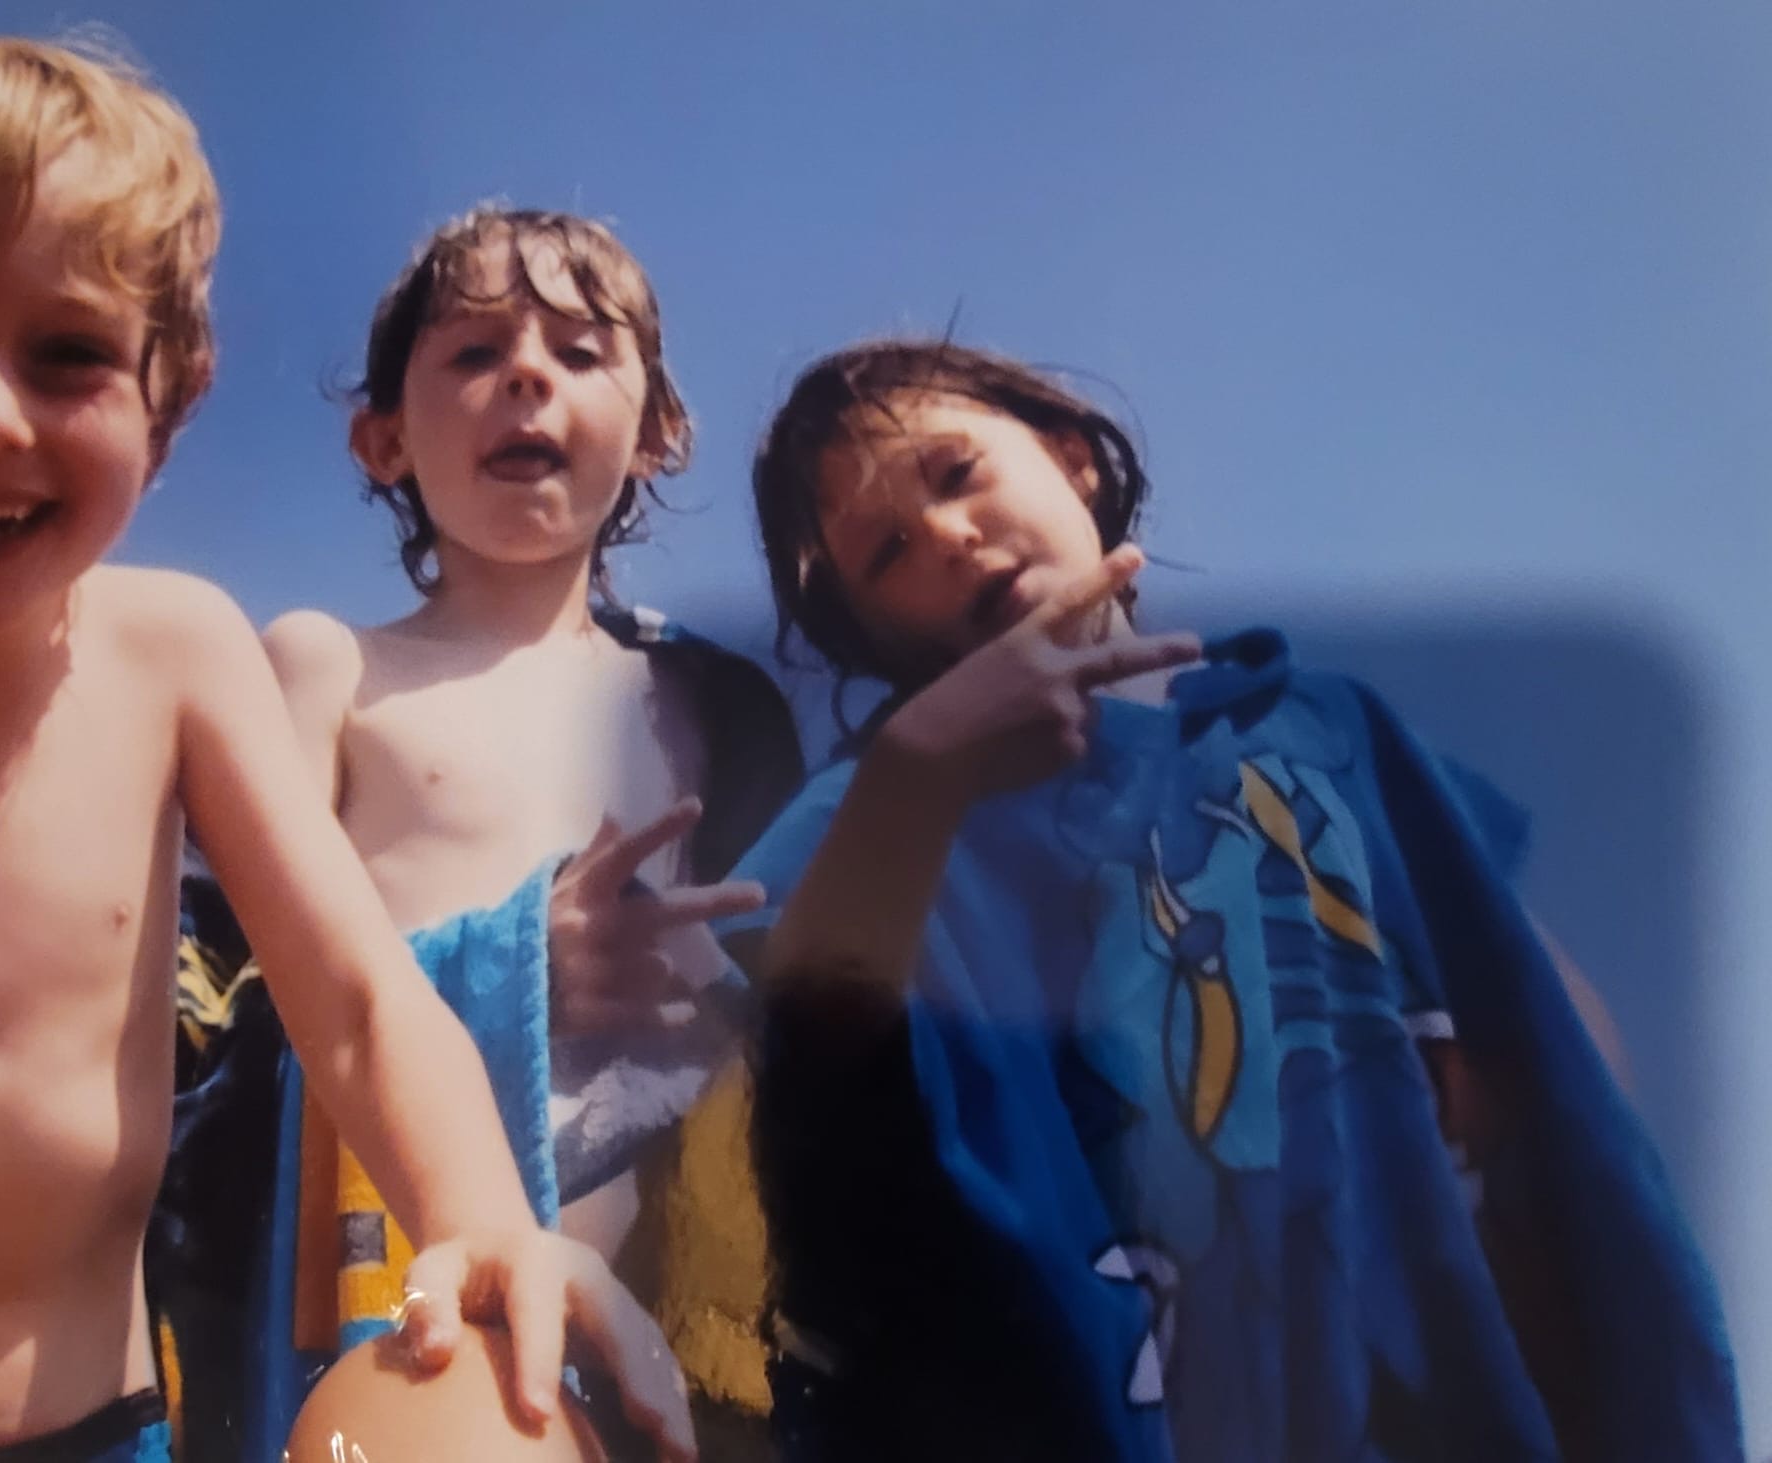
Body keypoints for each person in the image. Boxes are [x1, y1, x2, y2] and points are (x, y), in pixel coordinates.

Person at [0, 39, 690, 1462]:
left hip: (97, 1426)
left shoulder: (178, 654)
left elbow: (356, 999)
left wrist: (485, 1226)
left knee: (490, 1408)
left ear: (163, 408)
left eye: (67, 356)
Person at [729, 339, 1742, 1460]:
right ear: (875, 637)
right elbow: (785, 1024)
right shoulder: (879, 814)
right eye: (887, 553)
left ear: (1070, 459)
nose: (947, 536)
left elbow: (1548, 1028)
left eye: (956, 473)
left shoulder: (1325, 727)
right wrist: (919, 767)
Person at [170, 208, 798, 1458]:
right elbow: (239, 976)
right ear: (383, 439)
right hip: (406, 1275)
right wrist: (517, 961)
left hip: (656, 1282)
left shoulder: (708, 704)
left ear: (659, 430)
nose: (525, 375)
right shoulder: (328, 663)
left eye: (578, 350)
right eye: (472, 352)